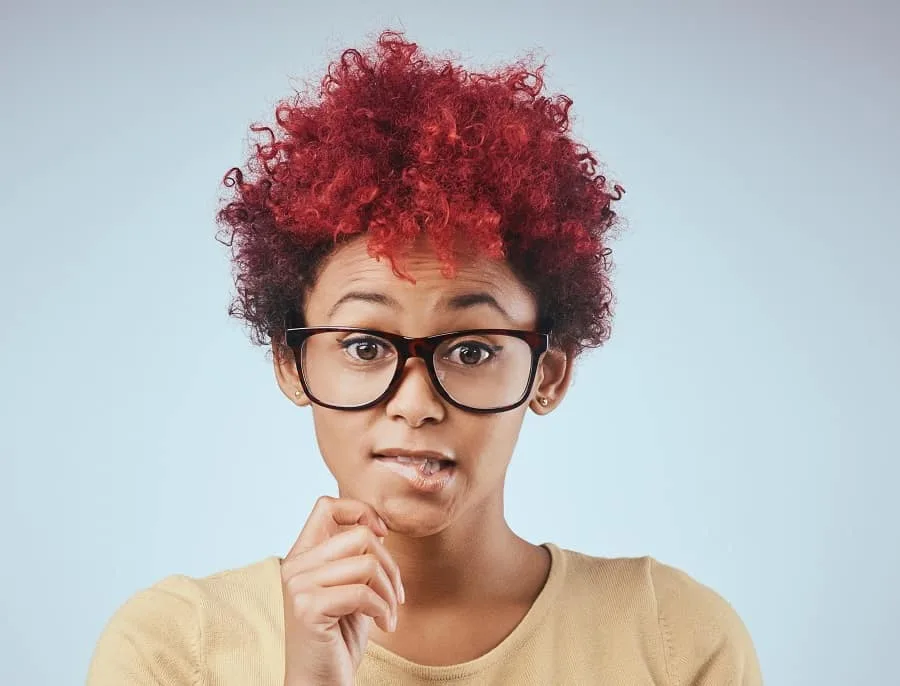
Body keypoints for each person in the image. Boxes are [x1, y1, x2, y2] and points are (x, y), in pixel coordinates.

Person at [87, 29, 762, 685]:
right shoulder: (174, 651)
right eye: (363, 345)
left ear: (547, 374)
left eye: (470, 349)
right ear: (291, 364)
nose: (415, 403)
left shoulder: (673, 639)